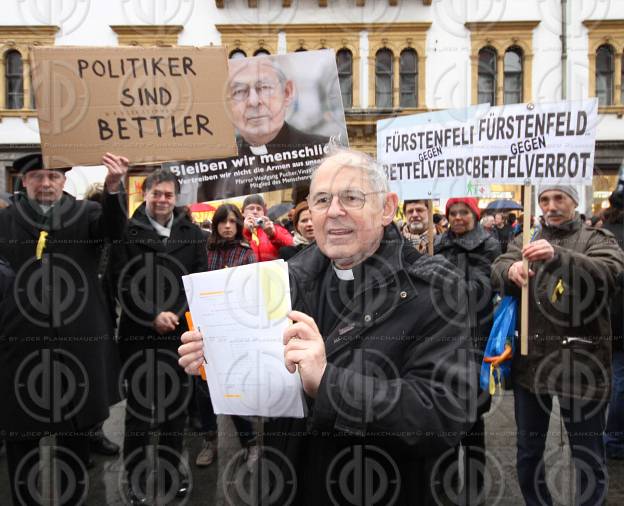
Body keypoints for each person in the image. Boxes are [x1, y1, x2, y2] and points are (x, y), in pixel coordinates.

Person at [179, 148, 477, 505]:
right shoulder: (285, 282)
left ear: (386, 208)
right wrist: (221, 360)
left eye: (351, 197)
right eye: (321, 200)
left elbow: (443, 414)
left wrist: (328, 383)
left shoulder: (433, 288)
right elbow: (271, 393)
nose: (334, 211)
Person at [0, 152, 128, 506]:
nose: (45, 184)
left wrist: (114, 185)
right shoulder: (5, 221)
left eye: (53, 177)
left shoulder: (86, 214)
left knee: (73, 436)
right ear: (23, 182)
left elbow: (115, 233)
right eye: (37, 177)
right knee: (21, 438)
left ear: (63, 181)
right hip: (20, 347)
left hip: (76, 347)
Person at [491, 184, 624, 506]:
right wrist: (510, 270)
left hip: (581, 365)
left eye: (559, 198)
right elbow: (497, 267)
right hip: (530, 364)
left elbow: (610, 273)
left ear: (574, 203)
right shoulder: (526, 238)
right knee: (528, 452)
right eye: (544, 199)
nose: (551, 205)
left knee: (587, 454)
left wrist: (559, 256)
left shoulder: (597, 238)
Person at [115, 168, 208, 505]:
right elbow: (120, 282)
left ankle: (171, 470)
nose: (162, 200)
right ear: (145, 194)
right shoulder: (127, 232)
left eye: (169, 195)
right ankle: (135, 476)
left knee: (174, 411)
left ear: (176, 197)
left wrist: (176, 313)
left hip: (180, 338)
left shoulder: (194, 235)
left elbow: (199, 281)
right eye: (157, 194)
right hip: (139, 336)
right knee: (140, 411)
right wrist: (151, 314)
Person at [434, 197, 500, 504]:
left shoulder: (488, 245)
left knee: (473, 421)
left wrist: (438, 278)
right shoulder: (437, 243)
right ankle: (448, 487)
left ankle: (474, 488)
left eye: (463, 212)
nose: (457, 218)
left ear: (475, 215)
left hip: (475, 341)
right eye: (452, 213)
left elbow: (479, 293)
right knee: (442, 417)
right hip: (441, 343)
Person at [194, 203, 258, 468]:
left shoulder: (246, 253)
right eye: (223, 222)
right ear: (216, 224)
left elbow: (251, 291)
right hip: (203, 331)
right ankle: (209, 441)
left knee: (232, 388)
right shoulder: (203, 251)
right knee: (204, 389)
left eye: (233, 221)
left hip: (233, 332)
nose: (228, 226)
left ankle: (250, 443)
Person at [602, 198, 624, 459]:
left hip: (610, 315)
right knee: (620, 377)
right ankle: (615, 436)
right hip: (618, 314)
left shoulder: (605, 233)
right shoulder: (609, 236)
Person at [241, 194, 293, 261]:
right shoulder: (236, 231)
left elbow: (291, 245)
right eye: (251, 208)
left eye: (259, 209)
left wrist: (274, 234)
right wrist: (246, 231)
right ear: (243, 212)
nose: (255, 212)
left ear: (264, 213)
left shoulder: (275, 229)